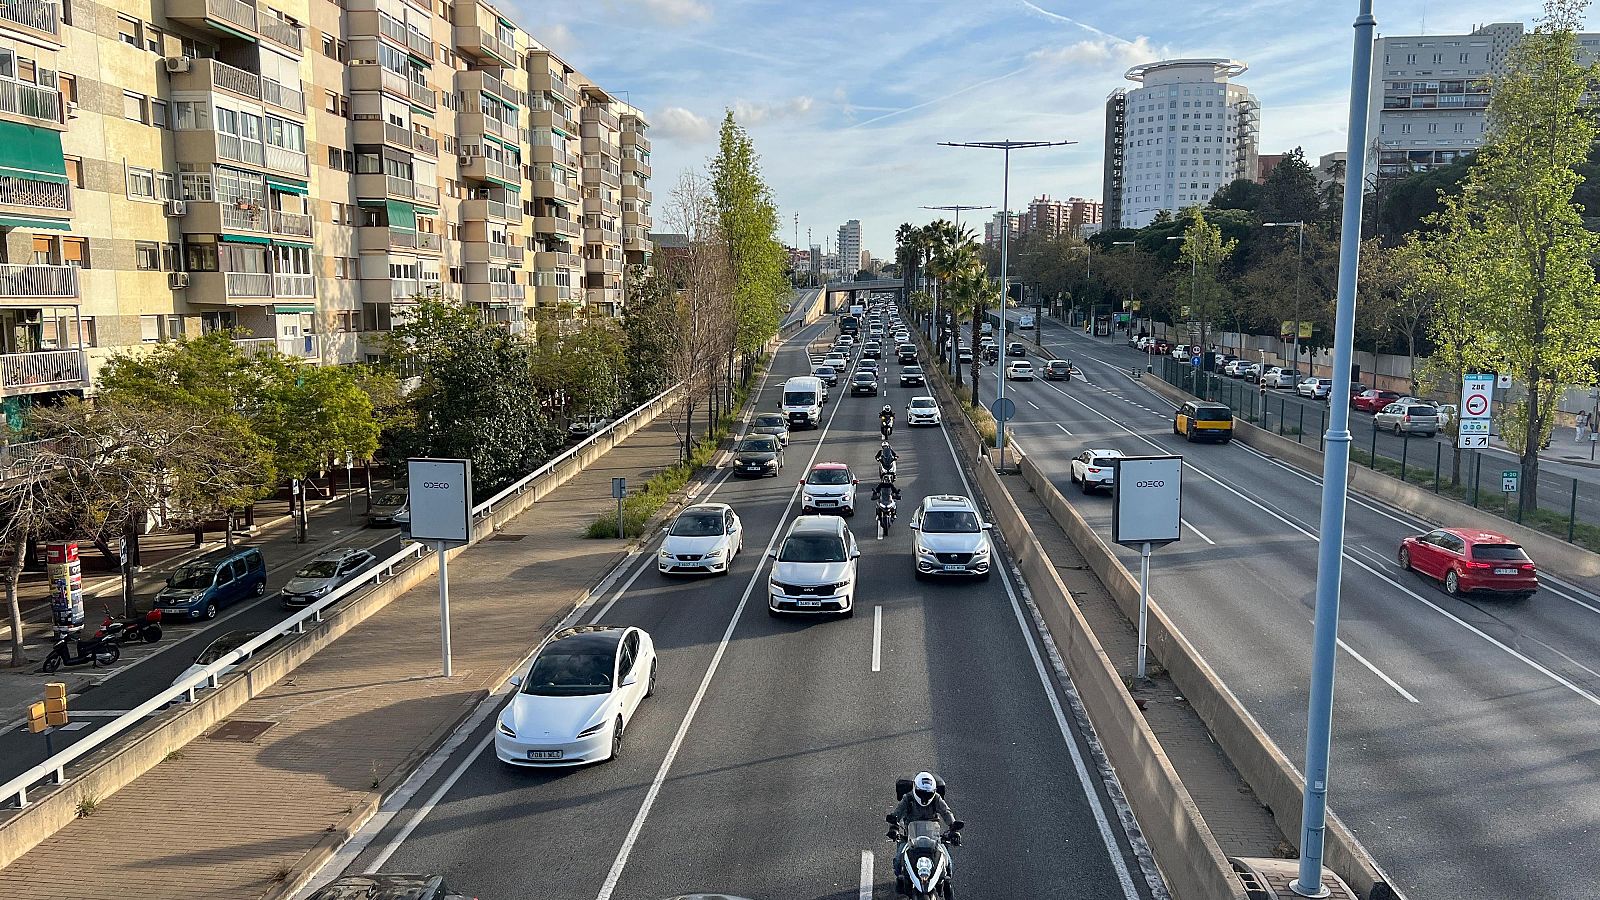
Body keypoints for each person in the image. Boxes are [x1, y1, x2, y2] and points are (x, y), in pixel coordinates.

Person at [887, 772, 957, 879]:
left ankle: (945, 882)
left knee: (948, 864)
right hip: (911, 836)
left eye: (928, 794)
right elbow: (897, 813)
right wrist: (894, 827)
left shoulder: (936, 798)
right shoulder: (908, 798)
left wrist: (953, 827)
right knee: (898, 861)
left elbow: (946, 812)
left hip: (933, 836)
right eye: (921, 793)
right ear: (915, 789)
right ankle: (902, 880)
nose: (924, 797)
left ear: (933, 792)